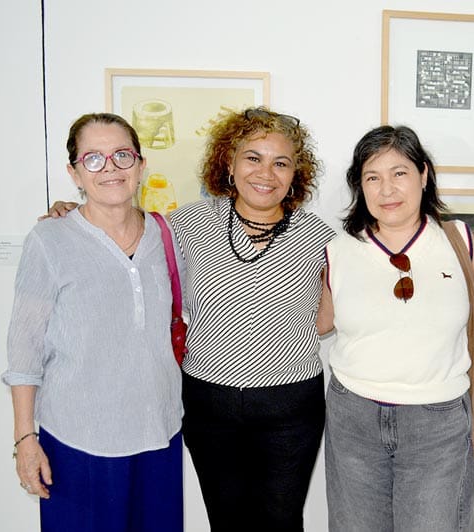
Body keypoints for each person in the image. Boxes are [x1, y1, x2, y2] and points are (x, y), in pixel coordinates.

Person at [45, 107, 335, 531]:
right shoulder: (186, 223)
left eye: (281, 163)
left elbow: (326, 321)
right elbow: (121, 228)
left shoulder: (319, 236)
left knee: (282, 521)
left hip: (289, 406)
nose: (266, 173)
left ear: (295, 174)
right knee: (226, 520)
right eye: (253, 158)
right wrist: (72, 213)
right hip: (208, 403)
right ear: (229, 163)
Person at [3, 112, 185, 532]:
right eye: (93, 158)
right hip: (78, 440)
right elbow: (24, 350)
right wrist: (25, 439)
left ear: (141, 164)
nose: (111, 168)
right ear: (75, 173)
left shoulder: (167, 235)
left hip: (158, 432)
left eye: (122, 155)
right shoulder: (49, 240)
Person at [321, 125, 474, 532]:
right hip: (353, 417)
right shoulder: (339, 250)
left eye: (399, 173)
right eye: (372, 177)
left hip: (438, 422)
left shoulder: (460, 241)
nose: (387, 189)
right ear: (359, 186)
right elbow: (318, 322)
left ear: (423, 174)